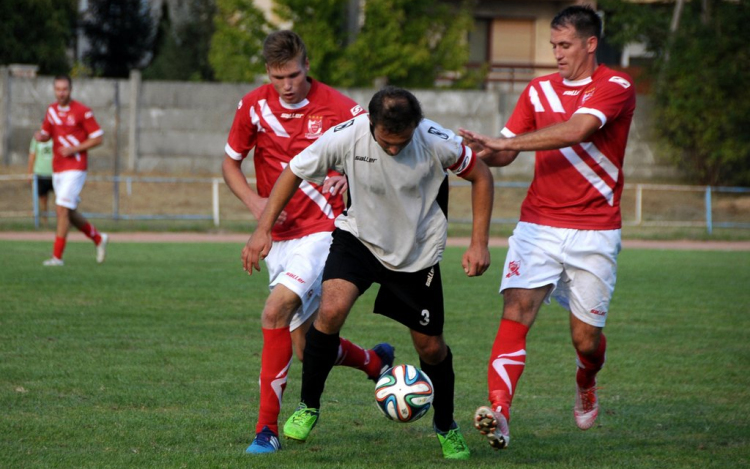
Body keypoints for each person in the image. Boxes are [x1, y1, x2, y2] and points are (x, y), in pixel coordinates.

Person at [243, 86, 495, 460]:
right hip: (357, 239)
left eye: (401, 141)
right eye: (386, 142)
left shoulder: (434, 139)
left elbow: (482, 176)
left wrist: (478, 243)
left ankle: (445, 425)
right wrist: (263, 228)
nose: (393, 149)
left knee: (430, 346)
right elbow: (293, 171)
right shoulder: (348, 134)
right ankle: (308, 406)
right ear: (371, 123)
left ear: (416, 125)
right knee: (328, 312)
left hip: (416, 253)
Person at [458, 5, 636, 450]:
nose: (556, 53)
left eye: (565, 45)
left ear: (590, 44)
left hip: (594, 230)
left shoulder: (616, 86)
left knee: (586, 340)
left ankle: (586, 378)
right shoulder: (537, 91)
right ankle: (499, 413)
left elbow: (577, 130)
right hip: (538, 224)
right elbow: (503, 154)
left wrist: (506, 143)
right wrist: (472, 151)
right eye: (553, 45)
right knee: (516, 312)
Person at [221, 30, 395, 455]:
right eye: (279, 76)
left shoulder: (341, 107)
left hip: (323, 231)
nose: (287, 84)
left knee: (275, 309)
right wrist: (258, 205)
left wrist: (347, 174)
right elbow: (230, 163)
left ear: (307, 66)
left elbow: (379, 152)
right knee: (304, 350)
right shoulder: (253, 106)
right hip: (280, 239)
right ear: (268, 72)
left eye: (294, 74)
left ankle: (266, 430)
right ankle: (375, 362)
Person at [35, 75, 108, 266]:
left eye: (64, 89)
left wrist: (74, 149)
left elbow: (98, 138)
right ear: (54, 90)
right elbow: (46, 133)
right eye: (58, 89)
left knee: (61, 209)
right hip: (58, 168)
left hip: (75, 167)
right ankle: (98, 238)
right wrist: (41, 137)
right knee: (68, 212)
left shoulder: (82, 111)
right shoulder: (51, 111)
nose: (61, 93)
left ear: (71, 89)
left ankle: (57, 258)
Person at [28, 133, 54, 225]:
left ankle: (63, 221)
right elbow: (32, 156)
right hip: (40, 174)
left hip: (56, 174)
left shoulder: (57, 136)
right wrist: (30, 174)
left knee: (61, 199)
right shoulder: (36, 138)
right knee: (43, 199)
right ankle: (45, 222)